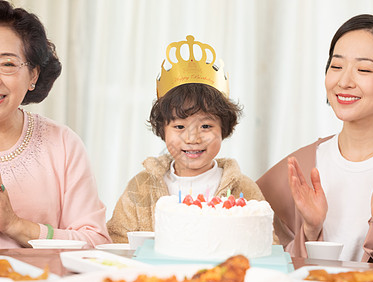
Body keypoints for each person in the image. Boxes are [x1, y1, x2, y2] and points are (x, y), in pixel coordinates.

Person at [257, 14, 373, 265]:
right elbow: (263, 254)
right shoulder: (303, 165)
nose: (344, 81)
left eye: (364, 69)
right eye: (336, 67)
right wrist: (310, 228)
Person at [0, 0, 111, 248]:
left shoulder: (62, 144)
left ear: (33, 75)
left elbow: (94, 242)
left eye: (7, 64)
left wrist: (16, 226)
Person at [107, 35, 267, 243]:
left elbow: (266, 243)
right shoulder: (141, 187)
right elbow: (117, 239)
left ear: (224, 128)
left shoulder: (243, 188)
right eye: (180, 126)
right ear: (162, 129)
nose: (192, 138)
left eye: (206, 126)